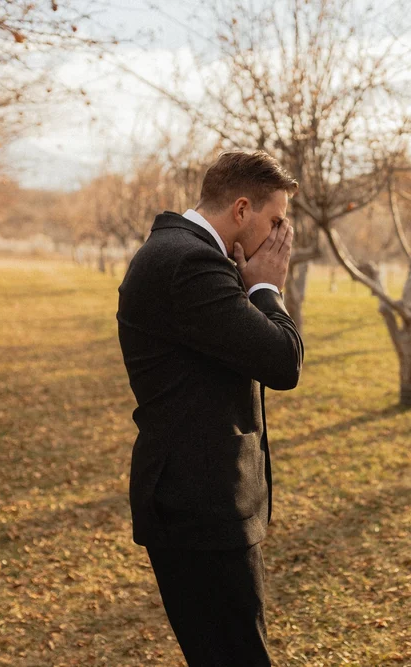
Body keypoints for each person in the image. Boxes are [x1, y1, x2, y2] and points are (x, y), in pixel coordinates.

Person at [116, 150, 304, 666]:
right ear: (242, 209)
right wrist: (266, 287)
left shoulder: (183, 251)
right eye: (276, 220)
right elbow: (282, 362)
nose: (281, 235)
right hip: (198, 503)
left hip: (195, 497)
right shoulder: (190, 263)